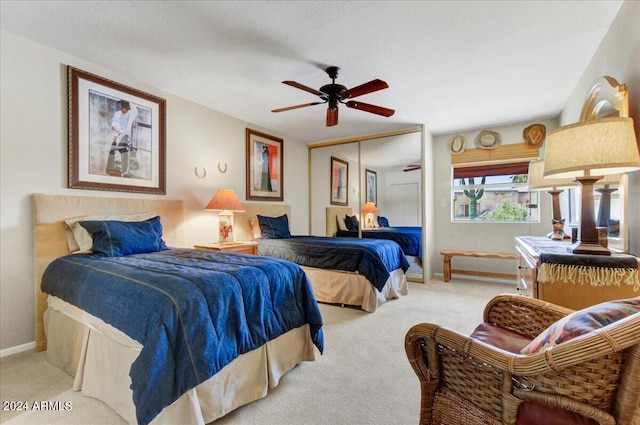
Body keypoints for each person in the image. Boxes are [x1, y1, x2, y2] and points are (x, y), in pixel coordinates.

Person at [106, 100, 138, 177]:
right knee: (113, 150)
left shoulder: (130, 114)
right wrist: (115, 130)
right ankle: (113, 167)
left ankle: (124, 170)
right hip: (116, 134)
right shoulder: (117, 114)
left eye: (124, 108)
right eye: (121, 108)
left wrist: (128, 101)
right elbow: (113, 123)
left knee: (124, 152)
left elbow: (135, 110)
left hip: (125, 135)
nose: (122, 110)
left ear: (127, 108)